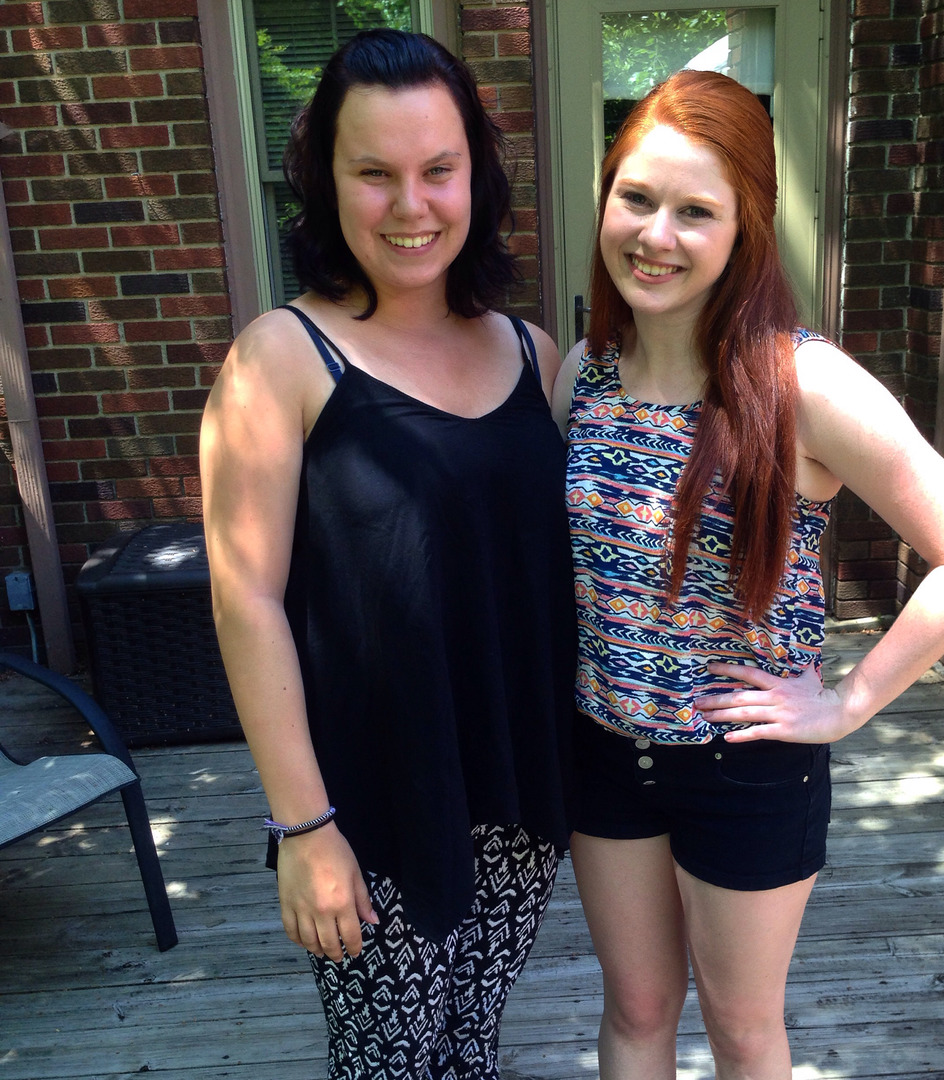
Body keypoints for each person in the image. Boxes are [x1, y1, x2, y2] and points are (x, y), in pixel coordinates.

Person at [553, 69, 944, 1080]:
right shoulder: (583, 373)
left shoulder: (800, 382)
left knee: (741, 1029)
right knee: (635, 1009)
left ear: (745, 228)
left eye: (695, 211)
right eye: (636, 198)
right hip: (603, 751)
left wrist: (846, 703)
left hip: (745, 764)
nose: (656, 235)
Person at [200, 29, 576, 1080]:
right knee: (388, 1060)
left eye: (437, 170)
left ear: (475, 177)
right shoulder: (279, 358)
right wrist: (304, 826)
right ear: (328, 182)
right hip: (371, 804)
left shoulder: (530, 351)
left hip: (513, 790)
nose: (411, 205)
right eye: (374, 173)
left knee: (471, 1043)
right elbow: (244, 600)